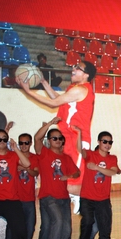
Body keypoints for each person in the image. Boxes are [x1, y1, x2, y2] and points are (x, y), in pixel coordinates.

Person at [16, 60, 96, 198]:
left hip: (77, 140)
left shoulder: (81, 89)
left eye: (78, 68)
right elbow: (58, 99)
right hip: (67, 138)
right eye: (74, 65)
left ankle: (89, 202)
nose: (73, 68)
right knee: (63, 178)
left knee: (73, 182)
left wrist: (28, 91)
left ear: (86, 75)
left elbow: (53, 104)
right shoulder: (74, 88)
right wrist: (44, 82)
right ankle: (76, 200)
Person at [34, 117, 80, 239]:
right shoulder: (44, 153)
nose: (58, 140)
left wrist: (69, 176)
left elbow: (77, 172)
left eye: (60, 138)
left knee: (66, 227)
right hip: (48, 196)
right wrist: (49, 124)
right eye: (54, 138)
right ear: (49, 140)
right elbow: (37, 138)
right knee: (57, 221)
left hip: (64, 198)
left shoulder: (66, 158)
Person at [74, 128, 119, 239]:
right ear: (99, 142)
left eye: (110, 142)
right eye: (105, 141)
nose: (107, 144)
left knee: (105, 227)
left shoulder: (112, 158)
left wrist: (97, 168)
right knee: (88, 221)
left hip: (103, 199)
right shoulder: (90, 155)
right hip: (87, 197)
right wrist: (79, 134)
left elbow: (112, 172)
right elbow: (79, 149)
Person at [4, 133, 39, 239]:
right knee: (12, 224)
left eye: (26, 143)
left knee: (30, 225)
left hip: (29, 197)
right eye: (21, 143)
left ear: (30, 144)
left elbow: (35, 172)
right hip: (15, 197)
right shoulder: (13, 156)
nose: (24, 145)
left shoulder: (35, 157)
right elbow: (9, 169)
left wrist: (25, 168)